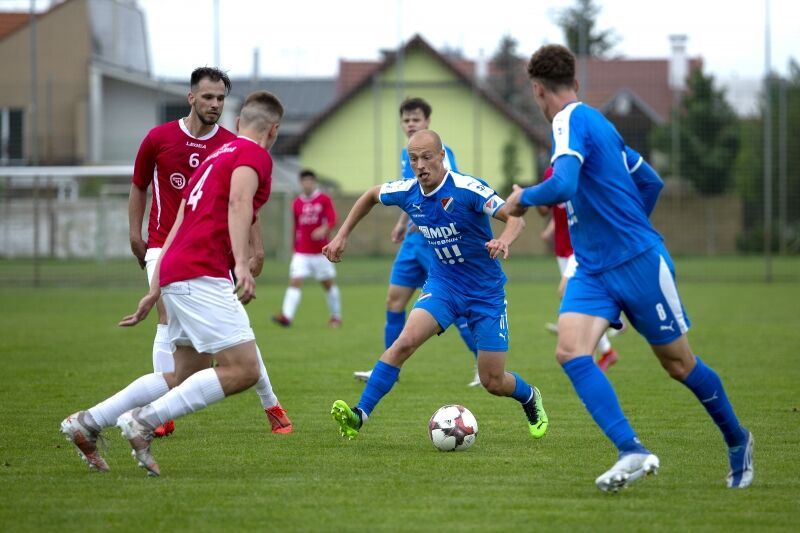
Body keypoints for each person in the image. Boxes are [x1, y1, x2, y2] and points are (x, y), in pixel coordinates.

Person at [505, 44, 752, 491]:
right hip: (594, 269)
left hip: (638, 262)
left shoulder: (568, 120)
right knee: (570, 351)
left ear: (538, 91)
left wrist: (522, 198)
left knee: (679, 365)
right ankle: (631, 449)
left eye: (537, 95)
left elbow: (563, 184)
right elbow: (650, 181)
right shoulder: (603, 126)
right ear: (575, 83)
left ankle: (737, 440)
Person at [61, 91, 287, 476]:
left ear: (236, 124)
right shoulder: (253, 155)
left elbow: (181, 215)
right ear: (274, 130)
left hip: (177, 269)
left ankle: (87, 421)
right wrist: (242, 265)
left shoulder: (217, 156)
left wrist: (156, 284)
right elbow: (238, 204)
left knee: (182, 375)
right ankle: (143, 422)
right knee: (244, 370)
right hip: (201, 273)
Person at [325, 129, 548, 442]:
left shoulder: (468, 188)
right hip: (444, 285)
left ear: (442, 156)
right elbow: (371, 195)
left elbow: (516, 218)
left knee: (493, 381)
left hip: (486, 293)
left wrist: (503, 240)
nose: (420, 165)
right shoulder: (408, 191)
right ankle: (358, 415)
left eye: (427, 157)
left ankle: (529, 396)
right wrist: (341, 234)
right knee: (403, 343)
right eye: (413, 159)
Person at [128, 67, 291, 436]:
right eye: (208, 97)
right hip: (163, 244)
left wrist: (255, 249)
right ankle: (157, 416)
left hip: (209, 254)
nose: (214, 104)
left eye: (220, 98)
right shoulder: (159, 138)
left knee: (230, 335)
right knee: (167, 322)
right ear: (191, 98)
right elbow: (139, 185)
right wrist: (134, 234)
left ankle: (270, 403)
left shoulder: (231, 145)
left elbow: (244, 204)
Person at [353, 97, 481, 387]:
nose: (410, 124)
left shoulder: (441, 153)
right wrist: (402, 223)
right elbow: (413, 193)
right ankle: (388, 369)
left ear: (427, 123)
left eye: (416, 119)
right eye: (406, 120)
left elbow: (449, 189)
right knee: (394, 300)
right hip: (413, 240)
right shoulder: (405, 154)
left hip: (437, 241)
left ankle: (480, 364)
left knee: (455, 307)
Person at [536, 166, 620, 372]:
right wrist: (537, 197)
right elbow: (547, 211)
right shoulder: (550, 174)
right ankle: (606, 351)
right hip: (562, 249)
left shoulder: (582, 171)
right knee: (574, 297)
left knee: (565, 291)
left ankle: (590, 341)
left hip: (581, 247)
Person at [272, 169, 341, 327]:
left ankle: (336, 316)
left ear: (314, 182)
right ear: (301, 183)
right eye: (304, 181)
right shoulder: (297, 203)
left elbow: (333, 220)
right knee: (295, 281)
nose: (307, 184)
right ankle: (286, 317)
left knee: (328, 284)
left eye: (310, 181)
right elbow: (295, 227)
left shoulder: (324, 199)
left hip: (321, 252)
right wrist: (293, 248)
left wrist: (324, 229)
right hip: (302, 252)